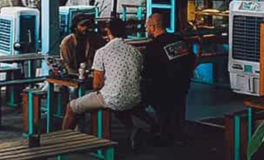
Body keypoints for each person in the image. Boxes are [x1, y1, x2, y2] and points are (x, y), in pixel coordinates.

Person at [62, 18, 147, 149]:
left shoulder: (102, 52)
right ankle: (133, 129)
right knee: (118, 105)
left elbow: (97, 85)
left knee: (71, 107)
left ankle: (62, 141)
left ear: (108, 31)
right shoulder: (136, 52)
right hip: (134, 97)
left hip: (112, 97)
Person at [140, 13, 196, 144]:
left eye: (147, 26)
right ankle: (177, 132)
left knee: (147, 95)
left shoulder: (153, 46)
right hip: (182, 84)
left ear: (153, 27)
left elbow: (148, 71)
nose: (146, 28)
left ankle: (162, 132)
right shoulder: (179, 39)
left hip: (163, 88)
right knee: (177, 106)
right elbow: (190, 59)